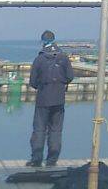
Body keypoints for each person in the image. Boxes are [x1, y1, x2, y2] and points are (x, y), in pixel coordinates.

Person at [27, 30, 74, 167]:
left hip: (43, 99)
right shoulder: (64, 58)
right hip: (59, 99)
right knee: (56, 130)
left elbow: (33, 82)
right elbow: (70, 76)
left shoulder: (39, 59)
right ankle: (52, 159)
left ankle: (36, 159)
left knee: (39, 129)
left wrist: (42, 86)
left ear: (42, 41)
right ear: (54, 40)